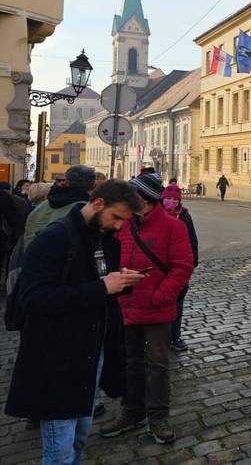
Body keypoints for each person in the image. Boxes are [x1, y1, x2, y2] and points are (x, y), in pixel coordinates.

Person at [5, 180, 145, 464]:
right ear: (97, 204)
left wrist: (121, 282)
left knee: (79, 439)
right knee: (61, 451)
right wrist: (103, 287)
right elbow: (32, 300)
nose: (119, 226)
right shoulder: (54, 238)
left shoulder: (101, 237)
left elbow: (96, 283)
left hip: (90, 354)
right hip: (57, 360)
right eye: (116, 217)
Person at [100, 172, 194, 445]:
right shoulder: (123, 225)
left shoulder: (173, 227)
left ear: (145, 198)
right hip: (127, 306)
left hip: (156, 308)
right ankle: (132, 412)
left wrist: (160, 296)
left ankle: (158, 417)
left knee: (158, 365)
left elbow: (182, 268)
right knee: (131, 363)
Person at [159, 184, 199, 352]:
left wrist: (193, 262)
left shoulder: (184, 216)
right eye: (168, 198)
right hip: (160, 267)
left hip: (179, 268)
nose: (171, 202)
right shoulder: (156, 215)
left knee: (178, 304)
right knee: (159, 304)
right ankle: (157, 339)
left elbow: (192, 240)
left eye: (175, 199)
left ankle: (175, 337)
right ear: (162, 199)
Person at [23, 165, 96, 250]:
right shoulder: (86, 210)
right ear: (94, 185)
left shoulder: (42, 206)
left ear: (66, 182)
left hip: (31, 258)